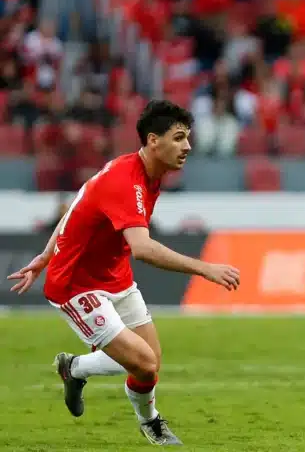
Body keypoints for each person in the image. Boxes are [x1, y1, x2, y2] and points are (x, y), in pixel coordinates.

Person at [6, 100, 241, 446]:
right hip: (76, 285)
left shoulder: (146, 173)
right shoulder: (125, 180)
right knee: (144, 362)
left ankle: (76, 370)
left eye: (188, 138)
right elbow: (143, 248)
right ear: (153, 140)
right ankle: (149, 421)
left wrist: (44, 252)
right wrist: (204, 268)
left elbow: (81, 198)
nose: (188, 146)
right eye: (179, 138)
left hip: (114, 276)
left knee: (151, 362)